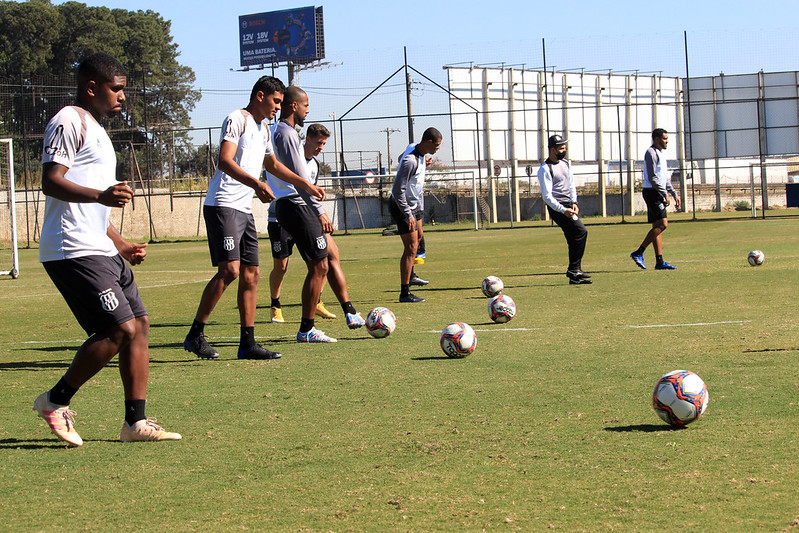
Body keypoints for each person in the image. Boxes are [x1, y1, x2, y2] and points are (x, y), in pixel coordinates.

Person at [33, 52, 180, 446]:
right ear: (92, 87)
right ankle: (54, 400)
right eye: (116, 89)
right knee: (118, 328)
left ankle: (135, 422)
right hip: (71, 249)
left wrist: (120, 243)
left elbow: (95, 210)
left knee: (140, 327)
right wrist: (101, 194)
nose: (122, 97)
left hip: (100, 247)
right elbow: (51, 181)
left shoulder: (97, 129)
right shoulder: (68, 120)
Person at [183, 76, 325, 359]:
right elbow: (225, 160)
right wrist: (256, 184)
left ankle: (247, 344)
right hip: (222, 205)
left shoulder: (264, 129)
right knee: (230, 271)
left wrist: (305, 184)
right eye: (275, 102)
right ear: (260, 96)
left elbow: (272, 164)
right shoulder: (238, 119)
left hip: (243, 209)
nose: (278, 108)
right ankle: (195, 335)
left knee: (252, 274)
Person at [270, 87, 363, 343]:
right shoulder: (288, 134)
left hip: (292, 205)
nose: (307, 110)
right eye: (305, 105)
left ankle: (344, 312)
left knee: (325, 260)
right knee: (319, 265)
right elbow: (302, 180)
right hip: (296, 205)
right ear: (293, 106)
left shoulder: (280, 132)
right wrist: (320, 212)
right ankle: (306, 329)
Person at [390, 128, 442, 303]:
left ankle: (411, 276)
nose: (438, 148)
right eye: (437, 145)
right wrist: (408, 214)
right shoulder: (410, 161)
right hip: (402, 206)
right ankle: (405, 293)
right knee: (411, 247)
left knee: (418, 238)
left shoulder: (415, 149)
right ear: (428, 142)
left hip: (414, 204)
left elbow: (399, 158)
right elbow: (397, 191)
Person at [537, 134, 591, 285]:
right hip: (557, 207)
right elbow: (547, 197)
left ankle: (575, 274)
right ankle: (574, 269)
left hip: (568, 204)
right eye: (561, 147)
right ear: (552, 149)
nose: (564, 150)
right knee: (581, 232)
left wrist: (574, 202)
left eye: (564, 147)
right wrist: (563, 210)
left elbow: (571, 183)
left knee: (573, 237)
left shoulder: (565, 163)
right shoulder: (545, 169)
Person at [630, 128, 681, 270]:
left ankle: (659, 262)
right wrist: (664, 193)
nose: (667, 141)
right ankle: (638, 252)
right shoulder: (650, 153)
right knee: (663, 224)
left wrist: (674, 193)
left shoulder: (660, 154)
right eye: (664, 139)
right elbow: (653, 177)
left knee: (656, 226)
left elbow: (664, 178)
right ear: (657, 139)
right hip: (652, 192)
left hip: (657, 191)